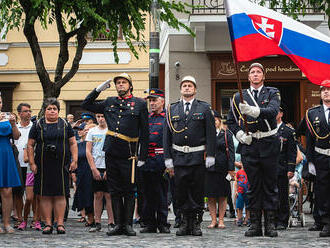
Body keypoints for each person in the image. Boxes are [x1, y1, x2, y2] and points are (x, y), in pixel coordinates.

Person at [81, 73, 149, 236]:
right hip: (111, 151)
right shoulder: (110, 102)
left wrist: (143, 156)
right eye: (118, 83)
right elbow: (86, 104)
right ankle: (118, 224)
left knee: (129, 189)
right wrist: (98, 89)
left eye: (123, 82)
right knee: (115, 189)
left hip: (129, 152)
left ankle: (127, 224)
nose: (120, 85)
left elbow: (145, 132)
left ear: (130, 85)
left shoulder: (139, 103)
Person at [227, 63, 281, 237]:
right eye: (252, 72)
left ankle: (271, 224)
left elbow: (272, 111)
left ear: (263, 76)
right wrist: (240, 134)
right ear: (248, 77)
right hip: (250, 145)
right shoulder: (238, 96)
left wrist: (252, 110)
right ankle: (255, 224)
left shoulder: (272, 92)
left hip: (268, 142)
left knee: (270, 186)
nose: (256, 75)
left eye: (259, 72)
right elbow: (231, 121)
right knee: (254, 186)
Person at [164, 75, 216, 236]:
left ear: (195, 89)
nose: (187, 88)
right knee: (180, 191)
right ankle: (184, 222)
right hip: (179, 157)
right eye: (184, 85)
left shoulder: (204, 108)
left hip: (197, 156)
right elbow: (167, 136)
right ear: (180, 89)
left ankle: (195, 223)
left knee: (196, 191)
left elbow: (211, 134)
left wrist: (211, 155)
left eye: (190, 85)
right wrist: (168, 158)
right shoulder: (172, 109)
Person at [27, 98, 78, 234]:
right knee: (45, 195)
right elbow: (30, 145)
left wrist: (75, 160)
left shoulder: (65, 124)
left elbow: (73, 143)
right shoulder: (38, 124)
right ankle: (48, 224)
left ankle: (60, 223)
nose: (52, 111)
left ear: (58, 110)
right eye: (49, 109)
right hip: (42, 165)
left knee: (61, 194)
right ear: (45, 110)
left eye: (54, 109)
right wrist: (32, 163)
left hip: (61, 165)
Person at [139, 89, 170, 234]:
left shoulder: (167, 118)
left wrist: (170, 162)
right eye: (150, 101)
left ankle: (163, 223)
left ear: (162, 101)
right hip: (146, 161)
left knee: (161, 194)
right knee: (147, 194)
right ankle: (149, 223)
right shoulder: (146, 118)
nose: (151, 103)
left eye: (154, 100)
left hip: (161, 160)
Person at [303, 80, 330, 237]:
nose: (326, 92)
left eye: (329, 89)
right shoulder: (312, 113)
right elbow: (310, 139)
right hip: (321, 157)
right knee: (323, 191)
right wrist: (311, 161)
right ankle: (326, 222)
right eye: (323, 90)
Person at [205, 111, 235, 229]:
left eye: (215, 120)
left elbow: (231, 153)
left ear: (219, 121)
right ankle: (213, 220)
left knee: (223, 195)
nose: (213, 122)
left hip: (223, 168)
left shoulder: (227, 134)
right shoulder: (205, 134)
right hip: (209, 168)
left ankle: (221, 219)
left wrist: (231, 169)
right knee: (210, 196)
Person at [86, 113, 114, 232]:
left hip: (109, 166)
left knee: (109, 195)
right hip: (96, 166)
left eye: (103, 116)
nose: (101, 119)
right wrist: (93, 168)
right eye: (98, 117)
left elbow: (114, 150)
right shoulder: (92, 131)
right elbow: (88, 150)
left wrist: (110, 168)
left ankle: (111, 222)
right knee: (97, 195)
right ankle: (97, 221)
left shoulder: (111, 130)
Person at [0, 94, 21, 233]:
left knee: (7, 191)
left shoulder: (8, 117)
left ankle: (7, 223)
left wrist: (13, 124)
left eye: (0, 101)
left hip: (5, 153)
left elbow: (16, 136)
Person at [275, 107, 297, 230]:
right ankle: (271, 219)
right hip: (269, 167)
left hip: (282, 167)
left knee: (282, 195)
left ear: (281, 114)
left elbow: (292, 152)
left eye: (277, 112)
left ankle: (282, 220)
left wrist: (291, 169)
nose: (275, 114)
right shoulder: (268, 129)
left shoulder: (288, 131)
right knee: (271, 195)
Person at [72, 123, 95, 227]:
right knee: (84, 196)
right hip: (82, 172)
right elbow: (74, 159)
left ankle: (96, 218)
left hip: (93, 171)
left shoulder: (94, 144)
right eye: (79, 130)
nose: (80, 131)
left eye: (83, 129)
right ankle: (88, 217)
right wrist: (73, 173)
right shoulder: (78, 145)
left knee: (95, 195)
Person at [234, 162, 249, 227]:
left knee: (248, 206)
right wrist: (236, 191)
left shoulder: (250, 172)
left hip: (248, 191)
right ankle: (239, 218)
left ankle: (247, 219)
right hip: (240, 191)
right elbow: (236, 182)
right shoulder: (238, 172)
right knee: (239, 206)